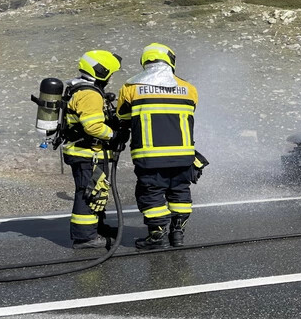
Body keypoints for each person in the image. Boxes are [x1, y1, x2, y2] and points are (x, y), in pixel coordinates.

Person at [115, 43, 206, 250]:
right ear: (170, 61)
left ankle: (157, 237)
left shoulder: (130, 88)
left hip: (150, 157)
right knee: (180, 192)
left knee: (152, 194)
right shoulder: (189, 89)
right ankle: (177, 234)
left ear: (145, 61)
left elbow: (122, 117)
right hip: (183, 156)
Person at [62, 50, 122, 249]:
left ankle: (97, 227)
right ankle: (85, 237)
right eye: (110, 73)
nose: (111, 77)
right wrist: (114, 136)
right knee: (88, 193)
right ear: (102, 71)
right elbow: (93, 127)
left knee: (97, 191)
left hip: (88, 152)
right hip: (87, 153)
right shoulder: (90, 94)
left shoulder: (82, 89)